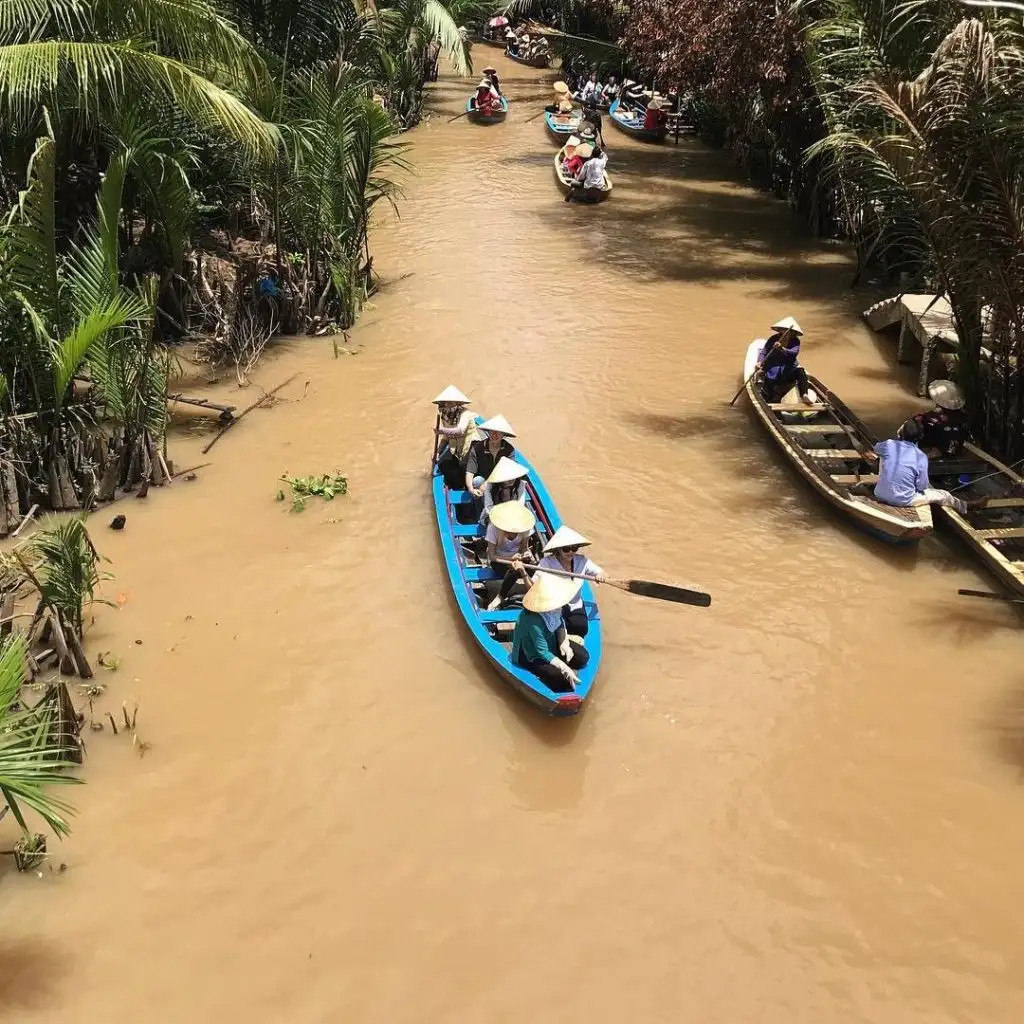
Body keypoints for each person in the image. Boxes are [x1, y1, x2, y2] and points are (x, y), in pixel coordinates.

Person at [511, 572, 590, 691]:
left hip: (551, 642)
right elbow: (542, 651)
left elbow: (560, 624)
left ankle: (564, 663)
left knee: (582, 657)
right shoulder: (532, 619)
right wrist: (563, 667)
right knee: (559, 677)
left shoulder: (555, 609)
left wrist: (565, 644)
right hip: (531, 654)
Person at [873, 418, 968, 513]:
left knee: (883, 454)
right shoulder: (921, 457)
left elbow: (876, 448)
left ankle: (885, 483)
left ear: (901, 433)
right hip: (904, 500)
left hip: (880, 493)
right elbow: (922, 486)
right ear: (920, 437)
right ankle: (966, 506)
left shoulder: (889, 444)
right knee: (944, 495)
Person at [537, 526, 604, 637]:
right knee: (551, 632)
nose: (571, 552)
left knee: (581, 629)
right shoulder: (547, 563)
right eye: (566, 549)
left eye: (574, 548)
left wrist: (600, 576)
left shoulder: (582, 561)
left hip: (574, 604)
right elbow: (535, 582)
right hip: (554, 604)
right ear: (558, 549)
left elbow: (602, 573)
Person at [484, 501, 537, 610]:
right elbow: (492, 556)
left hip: (518, 559)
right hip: (499, 561)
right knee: (515, 569)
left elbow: (524, 548)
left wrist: (527, 555)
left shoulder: (525, 529)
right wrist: (511, 559)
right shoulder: (493, 529)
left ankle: (536, 589)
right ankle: (500, 596)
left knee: (533, 566)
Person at [758, 316, 817, 405]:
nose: (786, 333)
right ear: (781, 330)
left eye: (789, 332)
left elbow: (794, 353)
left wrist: (782, 349)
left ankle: (804, 394)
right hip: (773, 369)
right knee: (770, 391)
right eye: (784, 330)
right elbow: (764, 352)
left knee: (801, 371)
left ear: (793, 333)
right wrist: (759, 362)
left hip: (787, 370)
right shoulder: (773, 339)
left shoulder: (795, 341)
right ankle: (771, 400)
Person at [432, 385, 477, 489]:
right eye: (447, 403)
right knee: (444, 465)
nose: (449, 405)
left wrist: (442, 430)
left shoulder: (465, 414)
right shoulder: (445, 416)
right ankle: (459, 486)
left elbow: (460, 430)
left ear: (458, 404)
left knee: (466, 470)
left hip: (471, 449)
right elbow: (446, 438)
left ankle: (468, 485)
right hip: (457, 451)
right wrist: (438, 453)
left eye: (452, 403)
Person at [465, 413, 516, 503]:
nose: (495, 435)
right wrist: (470, 488)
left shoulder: (509, 450)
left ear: (503, 434)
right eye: (492, 431)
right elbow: (470, 471)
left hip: (501, 481)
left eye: (499, 432)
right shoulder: (477, 448)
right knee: (477, 481)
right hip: (483, 481)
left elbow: (506, 472)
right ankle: (482, 510)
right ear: (488, 432)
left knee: (511, 482)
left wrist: (487, 483)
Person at [913, 379, 970, 457]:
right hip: (955, 452)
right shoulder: (964, 417)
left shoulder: (931, 417)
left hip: (937, 452)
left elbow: (916, 421)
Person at [481, 456, 528, 524]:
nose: (511, 479)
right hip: (492, 517)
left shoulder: (521, 485)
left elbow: (519, 505)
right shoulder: (490, 486)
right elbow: (489, 508)